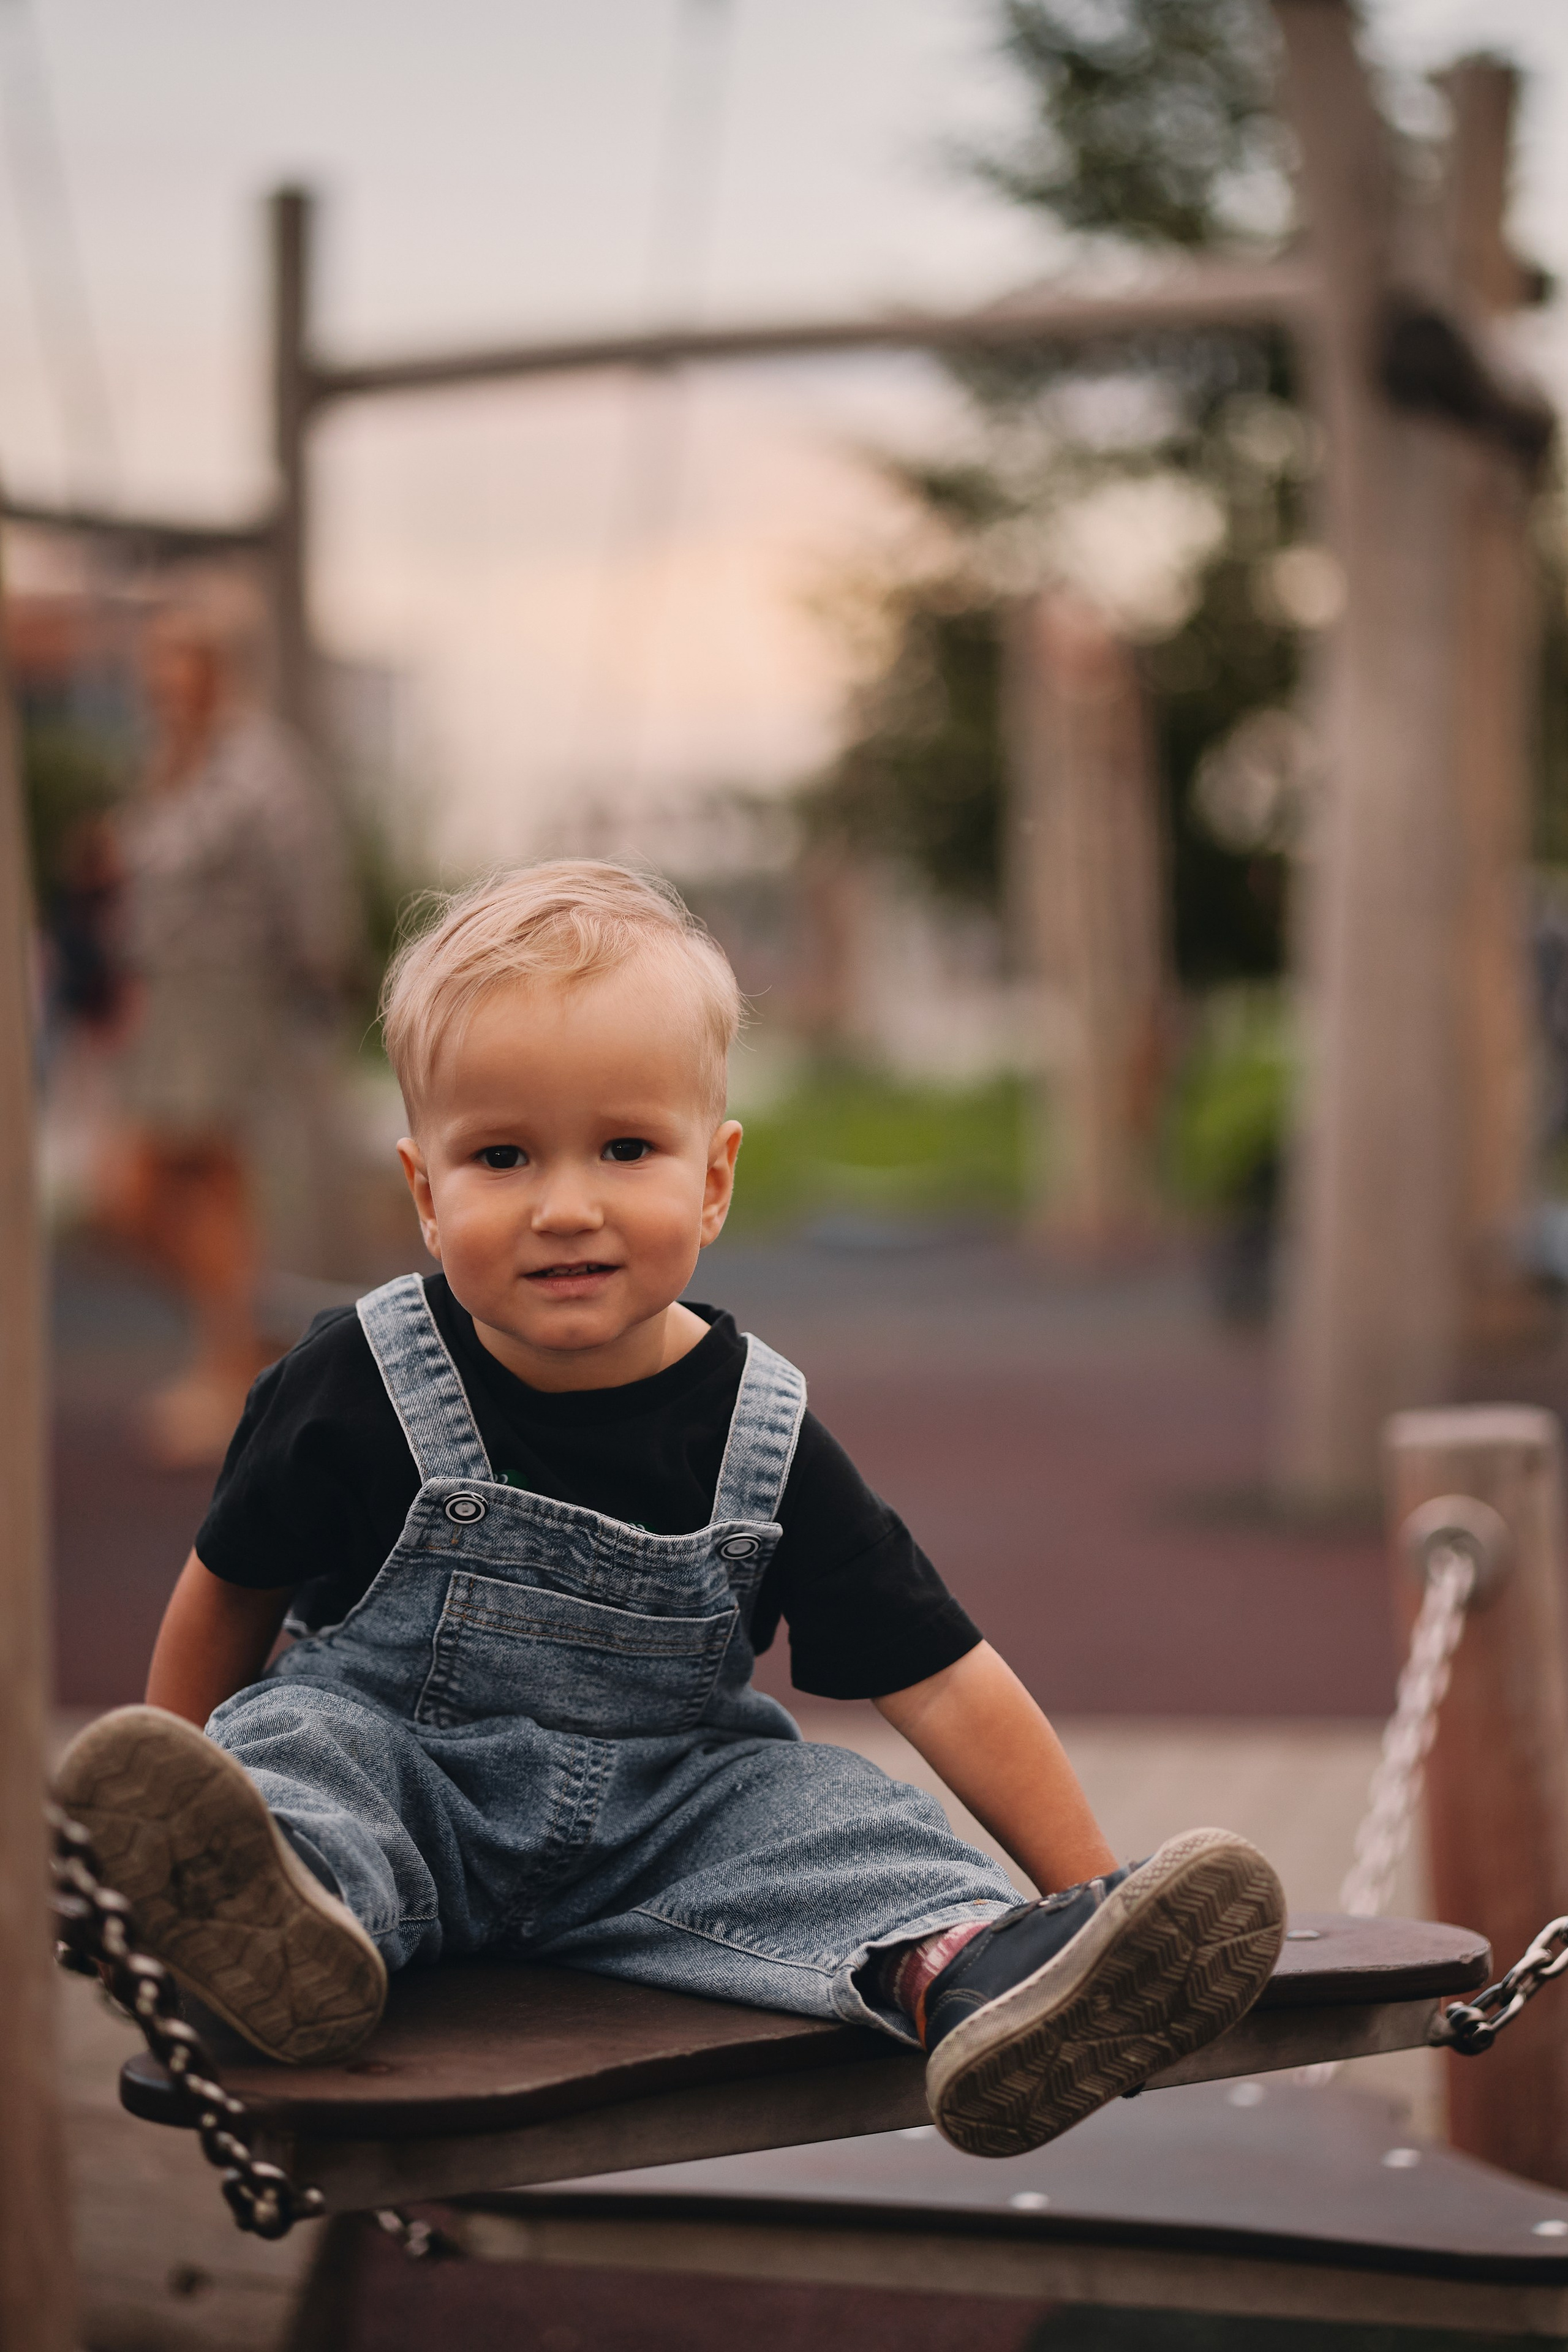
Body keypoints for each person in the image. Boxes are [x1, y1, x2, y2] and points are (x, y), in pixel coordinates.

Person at [56, 862, 1284, 2158]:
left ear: (712, 1179)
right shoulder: (352, 1382)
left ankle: (989, 1974)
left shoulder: (757, 1426)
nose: (566, 1204)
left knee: (845, 1821)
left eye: (625, 1148)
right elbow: (228, 1593)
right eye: (503, 1156)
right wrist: (165, 1805)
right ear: (426, 1193)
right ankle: (253, 1913)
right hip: (403, 1781)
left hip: (664, 1824)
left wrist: (1086, 1888)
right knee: (305, 1756)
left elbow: (941, 1679)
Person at [96, 600, 349, 1468]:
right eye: (155, 660)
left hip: (228, 996)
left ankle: (231, 1361)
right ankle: (242, 1341)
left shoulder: (259, 763)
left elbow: (311, 880)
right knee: (144, 1194)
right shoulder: (168, 761)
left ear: (216, 665)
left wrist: (316, 985)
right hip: (167, 999)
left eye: (180, 659)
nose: (163, 678)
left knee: (192, 1174)